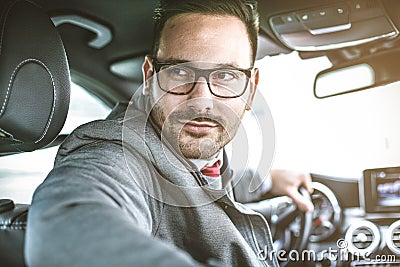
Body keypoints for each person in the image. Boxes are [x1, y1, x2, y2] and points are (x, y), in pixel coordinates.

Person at [25, 0, 313, 266]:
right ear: (149, 79)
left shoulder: (206, 158)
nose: (201, 100)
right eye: (179, 72)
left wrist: (270, 179)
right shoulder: (117, 157)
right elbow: (70, 226)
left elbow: (220, 175)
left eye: (226, 76)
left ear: (250, 89)